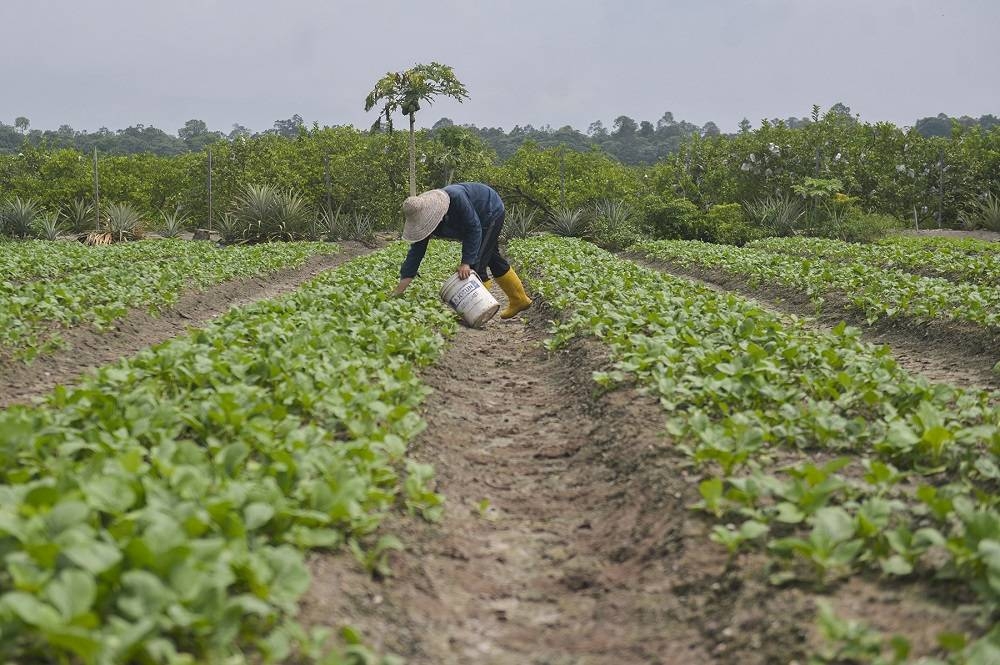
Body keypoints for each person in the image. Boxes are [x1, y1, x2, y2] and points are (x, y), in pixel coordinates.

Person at [391, 182, 532, 319]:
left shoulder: (456, 198)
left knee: (476, 266)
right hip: (477, 222)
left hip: (490, 211)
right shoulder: (425, 222)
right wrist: (399, 291)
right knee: (492, 258)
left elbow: (474, 228)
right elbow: (415, 255)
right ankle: (519, 300)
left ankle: (479, 311)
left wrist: (466, 262)